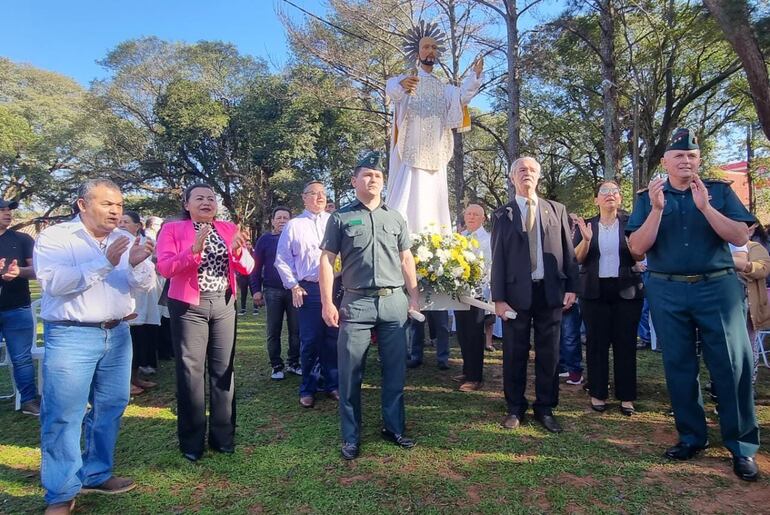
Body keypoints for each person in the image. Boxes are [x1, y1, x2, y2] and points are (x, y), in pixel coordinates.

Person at [627, 127, 759, 481]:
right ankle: (691, 437)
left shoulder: (718, 191)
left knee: (731, 365)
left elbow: (740, 236)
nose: (685, 161)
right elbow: (637, 248)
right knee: (679, 365)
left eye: (691, 156)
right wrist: (657, 210)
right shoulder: (649, 197)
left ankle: (741, 446)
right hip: (668, 290)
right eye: (679, 156)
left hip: (717, 287)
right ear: (665, 161)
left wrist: (707, 208)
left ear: (699, 160)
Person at [35, 179, 156, 514]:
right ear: (82, 204)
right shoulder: (57, 237)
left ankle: (96, 472)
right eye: (107, 204)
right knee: (64, 414)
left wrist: (137, 263)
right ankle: (60, 494)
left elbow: (145, 285)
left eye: (119, 205)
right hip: (71, 335)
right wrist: (104, 263)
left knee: (111, 405)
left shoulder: (123, 239)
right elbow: (54, 283)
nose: (115, 211)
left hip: (117, 334)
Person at [319, 151, 421, 460]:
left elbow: (406, 258)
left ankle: (394, 427)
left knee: (395, 371)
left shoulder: (395, 217)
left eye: (377, 176)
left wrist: (414, 297)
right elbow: (327, 261)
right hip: (356, 303)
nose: (373, 179)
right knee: (350, 373)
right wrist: (327, 302)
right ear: (354, 181)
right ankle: (351, 436)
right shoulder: (340, 217)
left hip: (393, 303)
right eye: (367, 175)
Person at [156, 183, 254, 462]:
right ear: (186, 204)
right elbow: (165, 268)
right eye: (199, 198)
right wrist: (193, 250)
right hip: (189, 307)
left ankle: (223, 438)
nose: (207, 202)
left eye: (211, 198)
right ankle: (192, 441)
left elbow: (248, 267)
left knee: (224, 371)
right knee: (191, 372)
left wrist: (238, 252)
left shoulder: (227, 228)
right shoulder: (172, 230)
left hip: (223, 304)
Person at [491, 157, 578, 434]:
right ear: (512, 177)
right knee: (514, 353)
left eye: (531, 170)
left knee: (549, 353)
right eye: (521, 170)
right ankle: (515, 407)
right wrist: (498, 298)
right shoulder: (501, 214)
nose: (526, 173)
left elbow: (568, 252)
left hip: (550, 293)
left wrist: (572, 287)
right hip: (515, 296)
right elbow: (497, 259)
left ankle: (545, 408)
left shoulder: (557, 210)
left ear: (538, 176)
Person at [386, 21, 483, 233]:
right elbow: (392, 89)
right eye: (426, 47)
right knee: (407, 197)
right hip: (410, 152)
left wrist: (474, 77)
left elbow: (462, 96)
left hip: (436, 154)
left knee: (435, 200)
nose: (430, 50)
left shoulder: (444, 89)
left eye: (434, 47)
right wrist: (401, 85)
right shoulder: (407, 80)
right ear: (417, 52)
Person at [574, 181, 644, 415]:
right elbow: (577, 259)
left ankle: (627, 397)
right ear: (596, 200)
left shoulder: (631, 223)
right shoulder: (587, 225)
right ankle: (598, 393)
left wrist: (631, 246)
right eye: (604, 192)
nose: (610, 195)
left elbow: (639, 255)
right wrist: (586, 240)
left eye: (614, 192)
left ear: (620, 198)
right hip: (594, 291)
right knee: (596, 343)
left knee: (626, 343)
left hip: (627, 291)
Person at [275, 181, 339, 408]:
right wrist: (293, 285)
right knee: (310, 339)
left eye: (323, 193)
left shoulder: (335, 221)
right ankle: (308, 387)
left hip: (336, 286)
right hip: (309, 288)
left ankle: (332, 384)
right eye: (314, 193)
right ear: (304, 197)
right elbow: (282, 259)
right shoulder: (294, 225)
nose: (320, 197)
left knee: (333, 337)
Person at [250, 206, 301, 380]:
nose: (282, 221)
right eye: (278, 218)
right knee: (274, 330)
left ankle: (294, 363)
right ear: (272, 221)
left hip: (294, 290)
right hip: (272, 291)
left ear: (291, 221)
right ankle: (276, 366)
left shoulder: (297, 238)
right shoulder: (265, 240)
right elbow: (255, 268)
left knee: (296, 330)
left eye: (285, 218)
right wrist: (256, 290)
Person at [0, 199, 39, 415]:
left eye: (9, 210)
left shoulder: (22, 239)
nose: (7, 213)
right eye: (2, 210)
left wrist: (18, 272)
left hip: (17, 308)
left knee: (22, 358)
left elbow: (35, 271)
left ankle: (29, 400)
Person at [118, 211, 161, 395]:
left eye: (126, 222)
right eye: (119, 222)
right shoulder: (116, 244)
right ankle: (124, 382)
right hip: (125, 300)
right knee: (127, 341)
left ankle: (135, 377)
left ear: (137, 226)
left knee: (140, 339)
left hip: (144, 298)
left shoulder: (146, 243)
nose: (121, 225)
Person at [453, 204, 492, 391]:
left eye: (476, 214)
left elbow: (487, 267)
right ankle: (467, 370)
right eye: (468, 214)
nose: (471, 217)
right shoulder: (460, 237)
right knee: (463, 334)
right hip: (459, 293)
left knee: (474, 335)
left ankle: (475, 377)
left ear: (483, 218)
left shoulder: (487, 239)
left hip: (477, 294)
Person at [559, 213, 584, 385]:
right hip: (554, 293)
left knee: (570, 334)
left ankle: (575, 370)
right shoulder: (554, 239)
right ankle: (562, 366)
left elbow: (575, 268)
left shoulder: (579, 241)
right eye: (572, 222)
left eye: (576, 221)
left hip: (570, 295)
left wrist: (572, 291)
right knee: (558, 335)